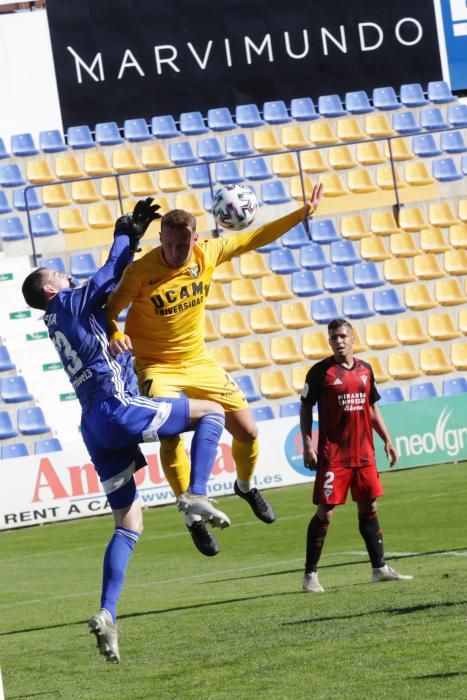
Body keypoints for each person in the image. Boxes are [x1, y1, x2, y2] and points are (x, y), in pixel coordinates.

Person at [21, 199, 231, 664]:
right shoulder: (70, 301)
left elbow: (100, 335)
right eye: (60, 275)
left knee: (129, 523)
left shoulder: (59, 320)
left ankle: (107, 613)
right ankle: (196, 493)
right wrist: (126, 232)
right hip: (116, 409)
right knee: (212, 411)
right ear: (51, 289)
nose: (67, 277)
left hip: (94, 426)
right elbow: (109, 271)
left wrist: (117, 350)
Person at [105, 185, 324, 556]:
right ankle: (192, 516)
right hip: (158, 367)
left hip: (199, 361)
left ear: (196, 238)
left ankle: (244, 485)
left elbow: (255, 236)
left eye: (183, 244)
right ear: (161, 239)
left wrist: (300, 213)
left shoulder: (208, 253)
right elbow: (109, 310)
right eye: (169, 245)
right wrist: (114, 334)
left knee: (248, 431)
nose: (176, 252)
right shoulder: (140, 272)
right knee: (170, 436)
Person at [299, 318, 413, 593]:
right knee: (325, 513)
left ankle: (379, 568)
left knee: (369, 507)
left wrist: (387, 439)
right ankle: (310, 576)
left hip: (364, 453)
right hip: (334, 455)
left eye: (342, 336)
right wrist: (308, 444)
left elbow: (372, 408)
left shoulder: (366, 370)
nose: (338, 341)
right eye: (333, 337)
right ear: (329, 342)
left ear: (353, 339)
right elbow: (305, 408)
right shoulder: (319, 373)